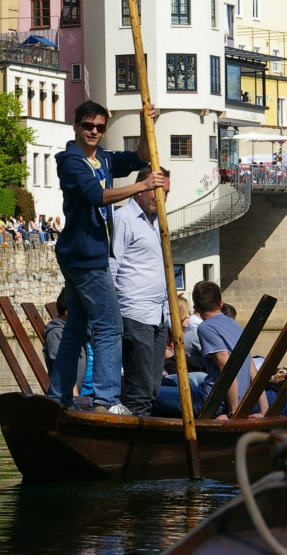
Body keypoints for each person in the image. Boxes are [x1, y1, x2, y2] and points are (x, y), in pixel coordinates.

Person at [47, 100, 167, 416]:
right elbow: (95, 196)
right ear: (76, 127)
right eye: (88, 126)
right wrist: (142, 185)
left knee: (76, 328)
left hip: (82, 253)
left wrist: (146, 123)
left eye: (100, 127)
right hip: (85, 255)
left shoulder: (103, 158)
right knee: (110, 327)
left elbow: (140, 155)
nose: (95, 132)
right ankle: (107, 400)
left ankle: (58, 396)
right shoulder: (70, 161)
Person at [153, 281, 270, 419]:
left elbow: (227, 370)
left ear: (196, 307)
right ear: (221, 304)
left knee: (146, 394)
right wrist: (264, 410)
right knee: (166, 386)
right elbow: (253, 371)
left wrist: (232, 413)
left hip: (213, 403)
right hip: (232, 399)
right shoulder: (234, 325)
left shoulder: (206, 328)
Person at [110, 166, 172, 417]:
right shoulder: (123, 218)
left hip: (157, 314)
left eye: (166, 192)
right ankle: (133, 440)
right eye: (156, 191)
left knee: (153, 387)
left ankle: (140, 432)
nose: (162, 198)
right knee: (140, 389)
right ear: (141, 188)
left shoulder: (160, 222)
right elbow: (112, 265)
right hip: (134, 313)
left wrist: (167, 312)